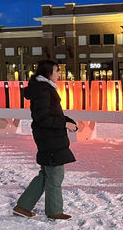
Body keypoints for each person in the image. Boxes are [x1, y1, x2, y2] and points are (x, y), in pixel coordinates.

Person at [13, 60, 78, 220]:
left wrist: (67, 120)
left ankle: (23, 207)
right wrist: (64, 123)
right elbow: (43, 118)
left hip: (49, 137)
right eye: (56, 71)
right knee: (55, 175)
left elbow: (51, 114)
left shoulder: (44, 89)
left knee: (46, 174)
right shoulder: (43, 90)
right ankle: (54, 212)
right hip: (50, 138)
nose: (59, 74)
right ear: (47, 73)